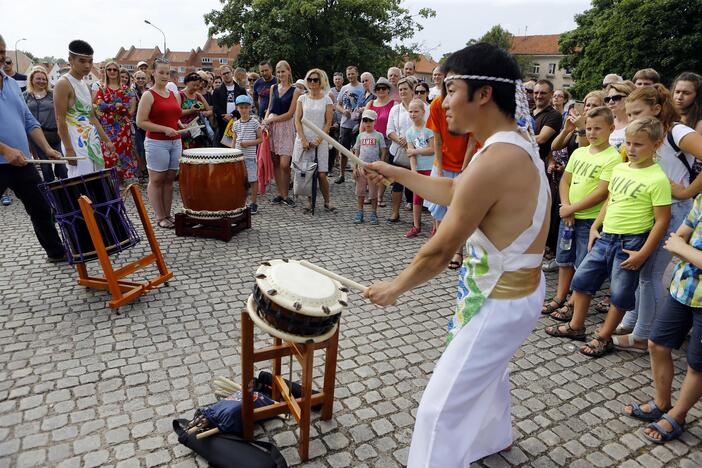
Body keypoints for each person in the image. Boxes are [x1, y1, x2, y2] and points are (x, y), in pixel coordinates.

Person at [363, 43, 549, 467]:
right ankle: (493, 436)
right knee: (488, 374)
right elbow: (457, 191)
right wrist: (396, 172)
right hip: (512, 293)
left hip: (501, 300)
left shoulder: (495, 158)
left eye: (450, 89)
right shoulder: (509, 142)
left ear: (483, 94)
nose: (441, 102)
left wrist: (396, 287)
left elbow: (441, 248)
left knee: (439, 410)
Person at [546, 117, 672, 358]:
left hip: (631, 242)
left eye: (638, 145)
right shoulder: (621, 168)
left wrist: (644, 252)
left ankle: (604, 336)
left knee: (620, 293)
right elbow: (610, 200)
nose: (631, 149)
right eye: (628, 143)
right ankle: (576, 325)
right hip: (606, 236)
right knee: (582, 280)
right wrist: (595, 227)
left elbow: (662, 221)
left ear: (656, 145)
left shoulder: (658, 179)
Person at [615, 85, 702, 352]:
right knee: (641, 271)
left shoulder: (677, 132)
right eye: (629, 115)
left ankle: (643, 335)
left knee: (650, 275)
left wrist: (688, 190)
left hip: (674, 208)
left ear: (656, 109)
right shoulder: (648, 133)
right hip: (649, 207)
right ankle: (634, 321)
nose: (632, 120)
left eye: (637, 113)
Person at [621, 196, 702, 444]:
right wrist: (685, 249)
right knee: (657, 344)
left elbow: (679, 243)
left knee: (697, 365)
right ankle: (662, 403)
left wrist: (684, 249)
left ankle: (678, 415)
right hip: (683, 288)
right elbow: (675, 238)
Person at [542, 107, 621, 320]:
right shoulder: (579, 152)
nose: (592, 133)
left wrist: (572, 209)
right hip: (569, 216)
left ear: (611, 129)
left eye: (598, 128)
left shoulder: (612, 158)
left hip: (589, 219)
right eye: (588, 128)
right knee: (564, 259)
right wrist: (566, 207)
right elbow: (566, 180)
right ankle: (559, 297)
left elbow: (602, 192)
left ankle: (572, 303)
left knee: (582, 263)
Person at [0, 33, 66, 262]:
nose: (1, 58)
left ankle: (57, 252)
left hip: (23, 162)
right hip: (2, 161)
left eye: (3, 52)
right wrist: (5, 150)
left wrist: (46, 148)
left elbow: (29, 121)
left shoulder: (9, 83)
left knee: (41, 208)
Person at [424, 79, 475, 268]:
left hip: (466, 163)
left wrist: (464, 169)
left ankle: (457, 251)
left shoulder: (470, 106)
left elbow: (472, 141)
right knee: (438, 208)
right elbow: (436, 138)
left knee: (460, 210)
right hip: (442, 162)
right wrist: (438, 168)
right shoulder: (437, 104)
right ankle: (440, 247)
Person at [54, 40, 112, 178]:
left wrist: (106, 140)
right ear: (70, 60)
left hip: (92, 139)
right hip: (75, 140)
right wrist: (68, 149)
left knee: (97, 181)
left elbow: (91, 117)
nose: (87, 65)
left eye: (90, 61)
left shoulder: (84, 84)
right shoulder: (63, 83)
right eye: (82, 61)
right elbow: (60, 120)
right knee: (81, 184)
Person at [136, 58, 182, 229]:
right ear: (153, 73)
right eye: (161, 72)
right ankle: (160, 216)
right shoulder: (148, 95)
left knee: (170, 179)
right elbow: (140, 122)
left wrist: (179, 124)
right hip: (156, 142)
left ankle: (168, 214)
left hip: (175, 141)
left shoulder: (174, 94)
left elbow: (173, 117)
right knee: (157, 179)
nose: (164, 76)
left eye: (167, 73)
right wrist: (164, 129)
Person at [292, 68, 335, 213]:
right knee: (306, 172)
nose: (312, 82)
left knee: (322, 174)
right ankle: (310, 202)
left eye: (315, 79)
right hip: (303, 139)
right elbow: (297, 120)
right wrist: (303, 139)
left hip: (320, 140)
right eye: (310, 79)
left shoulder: (327, 99)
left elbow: (328, 122)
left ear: (321, 81)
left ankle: (327, 201)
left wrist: (319, 139)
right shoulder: (301, 98)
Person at [386, 76, 424, 224]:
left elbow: (426, 128)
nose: (402, 92)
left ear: (412, 90)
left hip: (418, 151)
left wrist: (412, 142)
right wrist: (399, 139)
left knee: (417, 184)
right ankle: (395, 212)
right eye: (400, 89)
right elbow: (389, 130)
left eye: (405, 89)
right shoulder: (395, 109)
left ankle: (417, 220)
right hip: (398, 151)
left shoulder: (422, 107)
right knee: (397, 183)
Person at [263, 60, 301, 206]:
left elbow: (291, 113)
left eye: (283, 71)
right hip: (272, 128)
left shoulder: (295, 90)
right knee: (275, 162)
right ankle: (281, 194)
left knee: (285, 163)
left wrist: (272, 120)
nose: (280, 74)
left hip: (286, 127)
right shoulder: (273, 87)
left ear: (289, 72)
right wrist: (266, 121)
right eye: (278, 72)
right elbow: (269, 107)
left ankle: (286, 193)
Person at [532, 79, 562, 263]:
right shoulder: (530, 113)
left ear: (551, 95)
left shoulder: (553, 116)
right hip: (525, 166)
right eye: (536, 92)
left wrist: (514, 137)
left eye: (543, 93)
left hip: (542, 167)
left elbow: (542, 139)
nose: (538, 96)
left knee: (542, 209)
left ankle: (545, 245)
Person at [94, 60, 137, 180]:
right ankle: (111, 182)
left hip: (122, 128)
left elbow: (129, 109)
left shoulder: (125, 89)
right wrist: (117, 106)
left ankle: (122, 180)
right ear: (105, 71)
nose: (112, 72)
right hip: (107, 128)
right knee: (108, 154)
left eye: (115, 69)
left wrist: (110, 107)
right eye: (109, 69)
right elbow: (99, 107)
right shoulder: (101, 89)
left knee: (123, 154)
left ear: (118, 71)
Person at [24, 66, 67, 182]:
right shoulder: (25, 96)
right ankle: (51, 191)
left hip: (55, 134)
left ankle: (66, 188)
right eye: (38, 79)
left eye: (44, 79)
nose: (41, 81)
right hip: (38, 137)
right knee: (45, 166)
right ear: (32, 80)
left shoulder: (52, 94)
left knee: (61, 164)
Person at [404, 98, 435, 238]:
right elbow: (411, 154)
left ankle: (436, 227)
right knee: (417, 199)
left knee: (433, 199)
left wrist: (415, 151)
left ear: (423, 112)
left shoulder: (429, 129)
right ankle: (416, 226)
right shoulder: (409, 132)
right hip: (419, 168)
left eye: (416, 111)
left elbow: (432, 149)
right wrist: (413, 171)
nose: (413, 114)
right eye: (410, 111)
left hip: (431, 168)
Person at [352, 109, 386, 225]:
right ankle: (360, 212)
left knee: (373, 193)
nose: (367, 123)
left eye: (370, 121)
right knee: (360, 192)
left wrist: (381, 166)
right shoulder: (360, 136)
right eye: (365, 120)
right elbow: (356, 152)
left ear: (375, 122)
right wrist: (355, 167)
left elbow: (383, 151)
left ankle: (373, 212)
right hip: (361, 169)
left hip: (373, 170)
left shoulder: (379, 135)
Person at [231, 95, 262, 214]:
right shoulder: (235, 124)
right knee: (239, 181)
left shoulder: (254, 123)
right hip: (238, 158)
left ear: (250, 108)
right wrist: (232, 154)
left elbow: (260, 140)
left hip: (249, 157)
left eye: (246, 107)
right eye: (241, 107)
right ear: (237, 108)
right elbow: (234, 141)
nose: (243, 110)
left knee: (253, 180)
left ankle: (254, 203)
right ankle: (241, 202)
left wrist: (248, 143)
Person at [368, 77, 396, 207]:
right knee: (371, 168)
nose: (381, 90)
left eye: (383, 88)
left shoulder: (394, 104)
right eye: (378, 88)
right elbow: (364, 123)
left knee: (383, 170)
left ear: (388, 90)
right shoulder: (371, 104)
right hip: (371, 139)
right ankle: (372, 195)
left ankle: (379, 197)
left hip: (386, 140)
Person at [334, 65, 363, 184]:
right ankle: (342, 174)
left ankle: (357, 174)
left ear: (357, 73)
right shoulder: (344, 88)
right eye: (348, 74)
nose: (350, 76)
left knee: (358, 151)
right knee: (343, 150)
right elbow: (338, 104)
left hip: (359, 123)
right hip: (345, 124)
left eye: (352, 73)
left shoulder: (362, 87)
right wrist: (343, 111)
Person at [213, 65, 246, 145]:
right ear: (221, 76)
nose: (226, 75)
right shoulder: (217, 91)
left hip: (238, 122)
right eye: (224, 74)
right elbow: (216, 107)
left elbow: (243, 106)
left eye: (228, 72)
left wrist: (232, 115)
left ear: (232, 73)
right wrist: (224, 116)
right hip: (223, 124)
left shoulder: (241, 90)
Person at [179, 72, 211, 150]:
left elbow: (210, 110)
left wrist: (204, 113)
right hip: (184, 130)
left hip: (198, 132)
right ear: (186, 83)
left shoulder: (198, 95)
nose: (195, 87)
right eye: (193, 85)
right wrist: (191, 110)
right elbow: (176, 113)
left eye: (197, 85)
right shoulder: (180, 95)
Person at [605, 81, 635, 151]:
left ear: (629, 98)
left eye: (616, 98)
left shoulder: (637, 124)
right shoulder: (605, 124)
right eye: (607, 99)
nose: (611, 102)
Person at [132, 70, 149, 180]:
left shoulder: (150, 91)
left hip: (149, 123)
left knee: (149, 147)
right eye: (138, 78)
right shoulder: (132, 92)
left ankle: (148, 169)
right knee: (140, 148)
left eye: (143, 78)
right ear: (134, 79)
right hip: (137, 124)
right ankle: (142, 169)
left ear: (146, 80)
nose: (140, 80)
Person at [328, 72, 344, 174]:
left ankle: (341, 161)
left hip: (344, 119)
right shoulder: (330, 92)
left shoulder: (345, 90)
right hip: (334, 119)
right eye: (336, 79)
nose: (337, 81)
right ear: (333, 81)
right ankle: (335, 161)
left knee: (341, 141)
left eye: (339, 79)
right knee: (334, 141)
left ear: (342, 80)